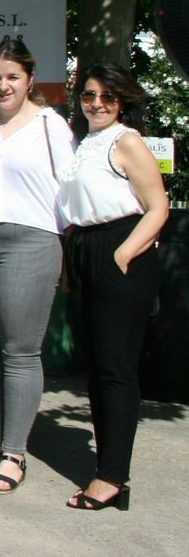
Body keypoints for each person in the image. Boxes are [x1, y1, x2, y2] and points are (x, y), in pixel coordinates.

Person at [56, 62, 168, 511]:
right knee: (98, 368)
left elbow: (157, 207)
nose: (96, 104)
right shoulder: (85, 143)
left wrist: (121, 254)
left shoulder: (127, 141)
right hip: (85, 247)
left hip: (119, 249)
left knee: (116, 369)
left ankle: (113, 477)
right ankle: (108, 467)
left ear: (122, 101)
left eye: (106, 97)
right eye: (88, 96)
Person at [0, 38, 72, 494]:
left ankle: (14, 453)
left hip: (33, 239)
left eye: (12, 77)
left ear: (29, 79)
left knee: (20, 351)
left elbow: (69, 189)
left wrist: (68, 249)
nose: (3, 85)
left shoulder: (51, 125)